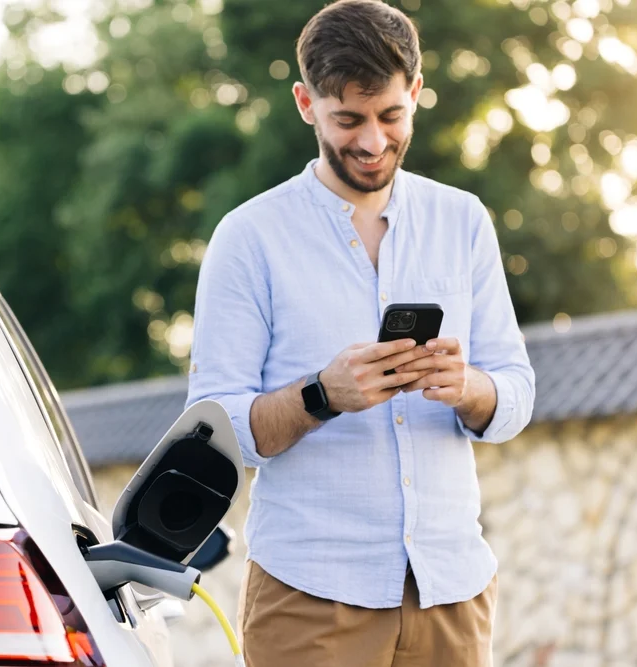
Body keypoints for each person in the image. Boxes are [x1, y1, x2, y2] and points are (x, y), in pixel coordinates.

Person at [185, 1, 535, 664]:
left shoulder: (463, 221)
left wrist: (468, 388)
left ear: (417, 94)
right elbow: (214, 431)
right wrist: (322, 394)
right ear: (305, 103)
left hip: (450, 592)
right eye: (348, 119)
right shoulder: (249, 238)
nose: (372, 142)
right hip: (310, 599)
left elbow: (516, 391)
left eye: (390, 116)